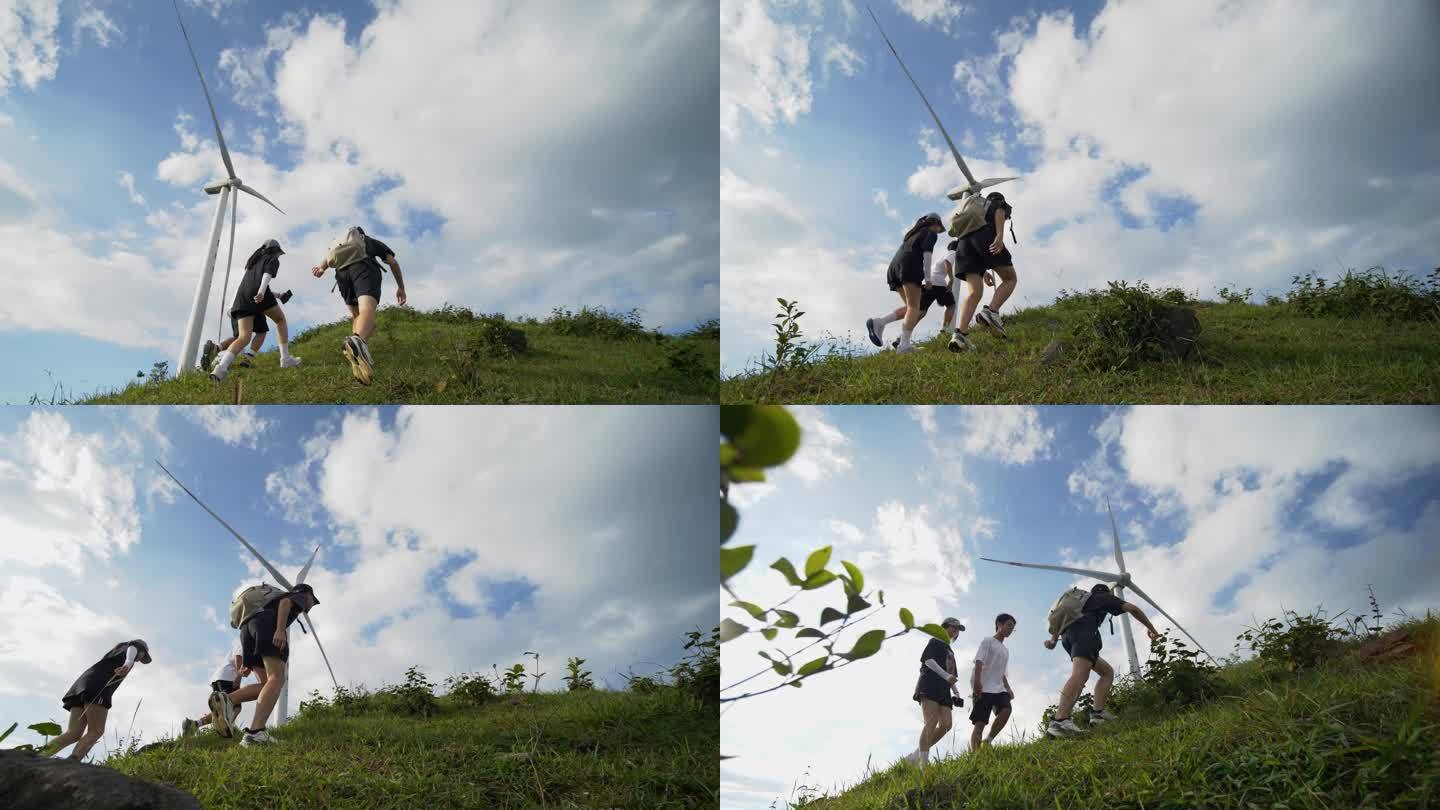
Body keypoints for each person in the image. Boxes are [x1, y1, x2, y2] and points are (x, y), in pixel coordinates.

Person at [1043, 584, 1159, 738]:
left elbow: (1062, 623)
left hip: (1068, 638)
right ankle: (1060, 721)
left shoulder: (1081, 603)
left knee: (1106, 672)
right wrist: (1152, 629)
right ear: (1105, 591)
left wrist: (1052, 641)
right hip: (1084, 634)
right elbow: (1133, 609)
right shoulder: (1102, 597)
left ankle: (1098, 714)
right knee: (1079, 675)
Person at [310, 226, 408, 385]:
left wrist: (321, 268)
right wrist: (401, 287)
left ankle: (358, 351)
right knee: (367, 310)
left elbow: (327, 260)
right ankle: (358, 343)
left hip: (342, 275)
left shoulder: (339, 246)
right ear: (361, 236)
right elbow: (393, 262)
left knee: (357, 316)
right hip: (364, 268)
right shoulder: (368, 241)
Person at [231, 583, 320, 746]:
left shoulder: (267, 602)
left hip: (247, 628)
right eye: (313, 601)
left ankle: (226, 700)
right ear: (307, 594)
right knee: (277, 678)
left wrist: (247, 661)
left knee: (265, 683)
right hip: (266, 625)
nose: (311, 605)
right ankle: (255, 733)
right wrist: (280, 630)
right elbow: (285, 603)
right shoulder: (298, 595)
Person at [42, 640, 153, 760]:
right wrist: (126, 666)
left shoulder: (114, 653)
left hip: (81, 685)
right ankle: (73, 760)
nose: (140, 659)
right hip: (98, 687)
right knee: (96, 731)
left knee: (73, 733)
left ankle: (39, 755)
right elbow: (130, 659)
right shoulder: (133, 647)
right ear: (141, 649)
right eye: (143, 655)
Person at [210, 239, 302, 381]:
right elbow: (267, 276)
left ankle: (221, 369)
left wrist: (278, 295)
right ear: (276, 251)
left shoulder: (253, 264)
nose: (278, 256)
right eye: (279, 254)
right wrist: (261, 292)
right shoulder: (272, 259)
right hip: (258, 295)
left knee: (243, 337)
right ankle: (285, 359)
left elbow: (255, 284)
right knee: (280, 320)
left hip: (241, 299)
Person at [867, 213, 945, 354]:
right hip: (909, 267)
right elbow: (927, 256)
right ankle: (904, 346)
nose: (939, 231)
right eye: (940, 228)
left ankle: (880, 322)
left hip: (894, 268)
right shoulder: (930, 233)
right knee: (915, 308)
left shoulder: (912, 235)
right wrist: (928, 279)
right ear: (935, 224)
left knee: (912, 308)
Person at [952, 191, 1018, 342]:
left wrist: (984, 270)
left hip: (963, 247)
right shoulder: (996, 203)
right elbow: (1000, 210)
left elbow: (973, 244)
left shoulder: (974, 209)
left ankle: (960, 335)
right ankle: (991, 312)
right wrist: (999, 236)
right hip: (985, 238)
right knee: (1010, 279)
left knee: (974, 292)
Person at [904, 617, 965, 768]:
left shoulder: (950, 651)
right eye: (954, 627)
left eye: (959, 629)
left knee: (946, 724)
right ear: (945, 627)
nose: (956, 631)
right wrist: (946, 676)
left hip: (944, 689)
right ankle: (923, 765)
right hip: (930, 684)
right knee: (931, 723)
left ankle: (915, 755)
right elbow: (928, 661)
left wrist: (956, 692)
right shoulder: (935, 641)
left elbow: (951, 674)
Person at [883, 240, 962, 351]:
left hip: (928, 284)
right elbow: (947, 262)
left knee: (920, 313)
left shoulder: (942, 256)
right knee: (951, 305)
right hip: (938, 284)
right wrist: (951, 279)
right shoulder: (953, 253)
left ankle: (900, 338)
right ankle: (944, 330)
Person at [181, 640, 255, 738]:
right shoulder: (243, 643)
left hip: (224, 678)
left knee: (227, 707)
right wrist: (238, 676)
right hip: (226, 678)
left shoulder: (246, 644)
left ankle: (194, 725)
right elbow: (239, 658)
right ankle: (225, 731)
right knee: (231, 707)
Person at [969, 613, 1016, 751]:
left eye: (1013, 627)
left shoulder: (1006, 651)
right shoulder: (987, 641)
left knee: (1006, 710)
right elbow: (979, 661)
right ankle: (976, 757)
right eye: (1009, 625)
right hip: (983, 688)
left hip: (998, 688)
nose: (1011, 629)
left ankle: (988, 741)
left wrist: (1008, 688)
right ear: (999, 625)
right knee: (980, 724)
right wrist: (977, 682)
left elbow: (1002, 672)